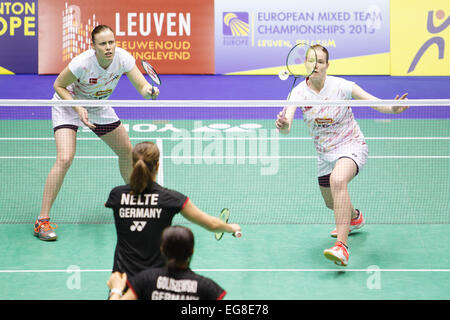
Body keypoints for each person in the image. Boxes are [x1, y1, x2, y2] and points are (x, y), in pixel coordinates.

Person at [275, 44, 408, 266]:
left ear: (327, 65)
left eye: (320, 61)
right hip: (325, 154)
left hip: (351, 145)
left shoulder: (342, 86)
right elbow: (286, 127)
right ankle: (355, 218)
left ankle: (342, 248)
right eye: (311, 60)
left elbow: (374, 103)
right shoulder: (297, 93)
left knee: (338, 181)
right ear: (305, 64)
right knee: (333, 203)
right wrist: (282, 124)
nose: (315, 65)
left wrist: (392, 109)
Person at [34, 25, 159, 241]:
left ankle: (134, 203)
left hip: (98, 106)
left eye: (111, 42)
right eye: (103, 44)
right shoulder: (82, 63)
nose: (109, 47)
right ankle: (42, 221)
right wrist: (77, 107)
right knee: (65, 158)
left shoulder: (123, 58)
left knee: (127, 151)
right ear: (93, 46)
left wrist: (149, 92)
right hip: (68, 105)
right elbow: (58, 85)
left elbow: (142, 86)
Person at [105, 141, 241, 279]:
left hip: (122, 281)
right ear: (157, 165)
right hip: (155, 282)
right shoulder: (170, 199)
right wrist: (231, 227)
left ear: (133, 165)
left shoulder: (116, 195)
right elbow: (212, 224)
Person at [107, 225, 227, 300]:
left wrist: (116, 290)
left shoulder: (146, 279)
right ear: (192, 251)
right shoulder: (206, 288)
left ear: (162, 250)